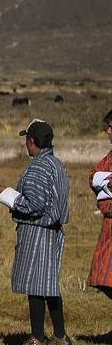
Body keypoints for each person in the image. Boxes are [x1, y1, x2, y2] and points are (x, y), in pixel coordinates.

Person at [0, 119, 71, 345]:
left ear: (31, 141)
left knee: (36, 286)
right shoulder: (56, 164)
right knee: (48, 285)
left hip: (39, 231)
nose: (26, 145)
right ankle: (59, 335)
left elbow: (36, 204)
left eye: (26, 140)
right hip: (52, 230)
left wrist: (8, 195)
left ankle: (38, 336)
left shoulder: (39, 166)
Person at [90, 108, 112, 334]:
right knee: (104, 277)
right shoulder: (109, 158)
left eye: (111, 128)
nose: (107, 132)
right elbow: (95, 174)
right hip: (110, 226)